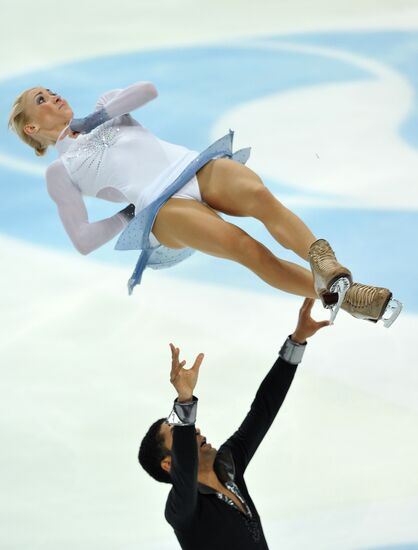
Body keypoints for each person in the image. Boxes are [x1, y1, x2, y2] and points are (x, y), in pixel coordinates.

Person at [8, 83, 401, 325]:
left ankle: (326, 265)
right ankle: (347, 299)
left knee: (262, 199)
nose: (55, 96)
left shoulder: (107, 106)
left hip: (192, 168)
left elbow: (147, 90)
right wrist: (129, 215)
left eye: (52, 90)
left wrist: (97, 117)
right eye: (41, 98)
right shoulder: (59, 171)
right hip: (161, 207)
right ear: (32, 128)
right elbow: (82, 239)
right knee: (246, 248)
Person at [138, 298, 329, 549]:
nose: (193, 429)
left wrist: (297, 341)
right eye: (179, 430)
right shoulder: (180, 509)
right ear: (168, 463)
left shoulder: (228, 465)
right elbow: (185, 467)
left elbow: (263, 409)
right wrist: (184, 399)